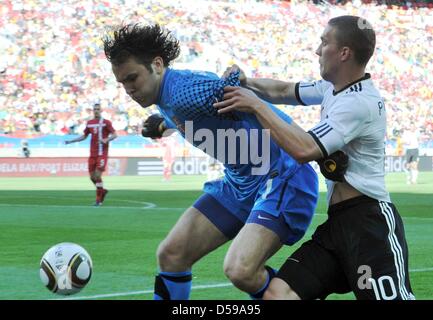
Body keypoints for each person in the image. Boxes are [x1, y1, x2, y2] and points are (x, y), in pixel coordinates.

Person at [103, 23, 319, 300]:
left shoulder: (185, 92)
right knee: (172, 255)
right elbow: (190, 116)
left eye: (132, 78)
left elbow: (234, 90)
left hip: (282, 175)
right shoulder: (166, 96)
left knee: (242, 271)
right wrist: (163, 127)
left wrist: (232, 78)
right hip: (240, 184)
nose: (128, 90)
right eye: (122, 83)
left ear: (157, 64)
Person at [214, 15, 415, 300]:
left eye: (324, 42)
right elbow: (283, 90)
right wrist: (248, 83)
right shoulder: (331, 89)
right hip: (338, 224)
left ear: (344, 53)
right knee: (278, 294)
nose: (317, 50)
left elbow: (304, 149)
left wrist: (256, 105)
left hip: (370, 223)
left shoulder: (360, 103)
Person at [65, 103, 118, 206]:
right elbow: (84, 136)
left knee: (97, 175)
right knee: (92, 177)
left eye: (98, 109)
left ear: (101, 110)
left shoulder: (106, 122)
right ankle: (102, 191)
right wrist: (71, 141)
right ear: (93, 111)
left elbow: (115, 135)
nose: (96, 110)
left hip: (102, 153)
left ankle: (98, 200)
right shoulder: (90, 123)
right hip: (92, 154)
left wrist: (106, 139)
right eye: (95, 109)